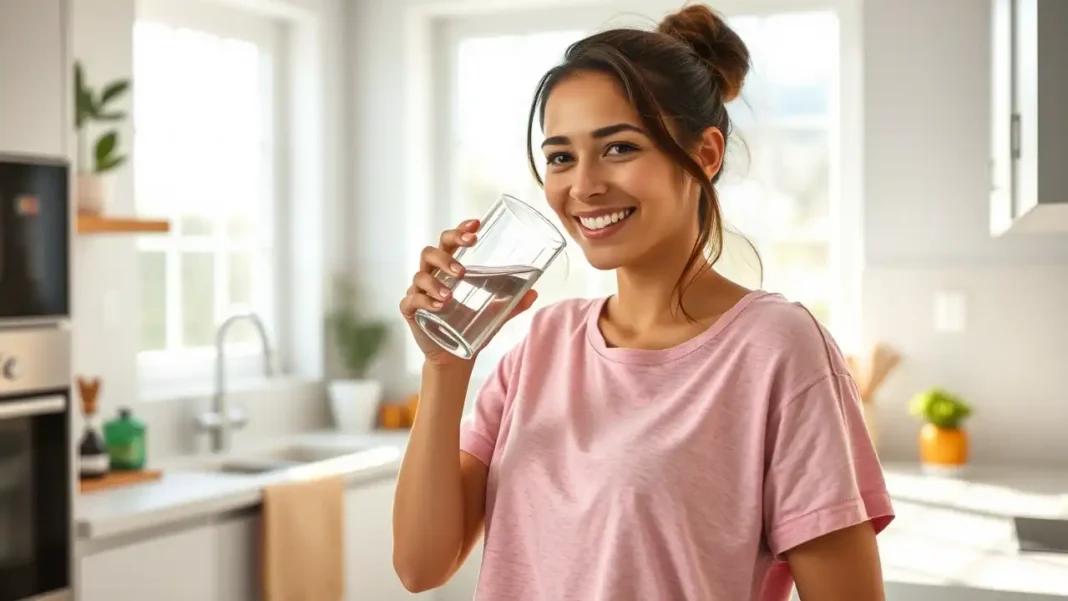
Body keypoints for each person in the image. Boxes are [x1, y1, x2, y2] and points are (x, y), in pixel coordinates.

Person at [393, 4, 894, 600]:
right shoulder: (542, 346)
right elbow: (420, 567)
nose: (584, 185)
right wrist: (446, 367)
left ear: (705, 156)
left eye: (619, 148)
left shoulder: (776, 347)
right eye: (560, 157)